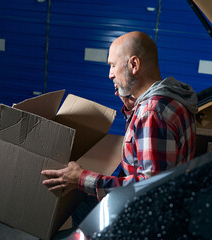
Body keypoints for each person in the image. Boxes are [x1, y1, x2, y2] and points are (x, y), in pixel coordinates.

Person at [41, 31, 197, 201]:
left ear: (134, 65)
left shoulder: (151, 113)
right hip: (169, 202)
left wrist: (81, 179)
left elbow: (150, 190)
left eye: (113, 65)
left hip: (142, 216)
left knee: (78, 200)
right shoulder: (171, 99)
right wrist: (133, 107)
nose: (110, 74)